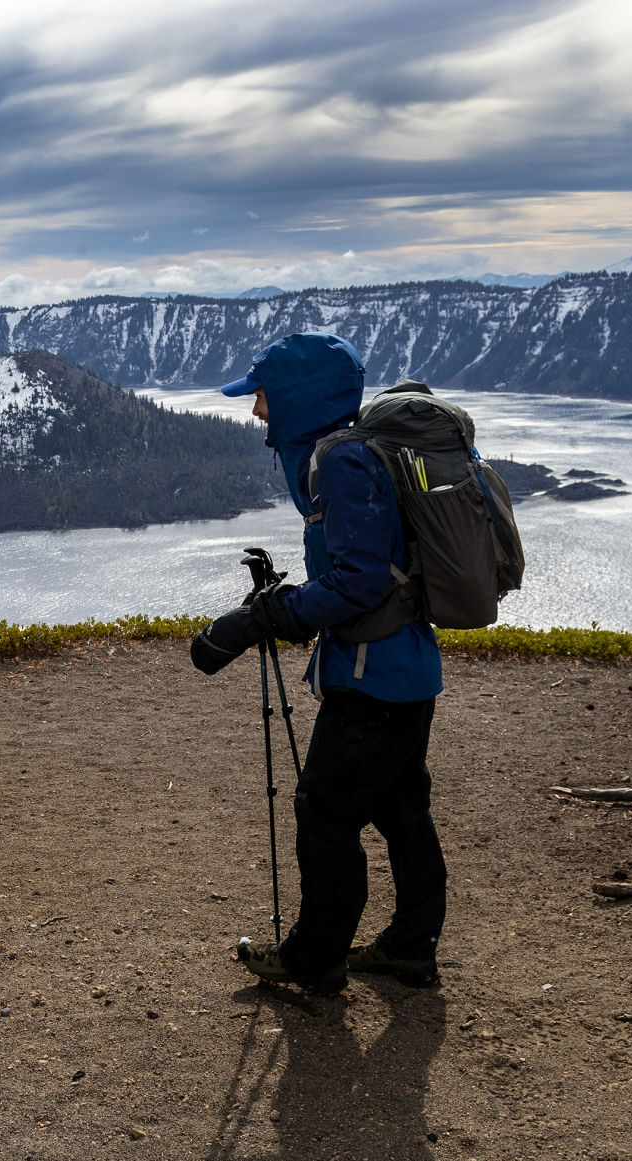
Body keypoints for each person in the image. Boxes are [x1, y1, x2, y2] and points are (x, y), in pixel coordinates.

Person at [190, 331, 446, 993]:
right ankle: (411, 946)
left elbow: (359, 583)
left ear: (297, 400)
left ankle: (315, 959)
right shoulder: (345, 455)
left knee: (324, 812)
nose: (255, 413)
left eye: (263, 397)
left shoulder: (339, 462)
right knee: (399, 808)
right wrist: (291, 596)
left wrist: (263, 617)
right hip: (406, 667)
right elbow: (363, 568)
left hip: (375, 676)